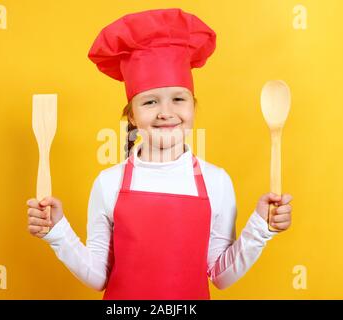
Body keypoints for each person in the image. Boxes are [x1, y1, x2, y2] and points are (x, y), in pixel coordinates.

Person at [26, 8, 293, 300]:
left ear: (192, 106)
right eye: (150, 102)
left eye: (178, 99)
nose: (166, 113)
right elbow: (98, 276)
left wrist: (261, 227)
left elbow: (220, 275)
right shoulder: (108, 182)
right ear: (131, 116)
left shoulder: (216, 181)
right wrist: (57, 232)